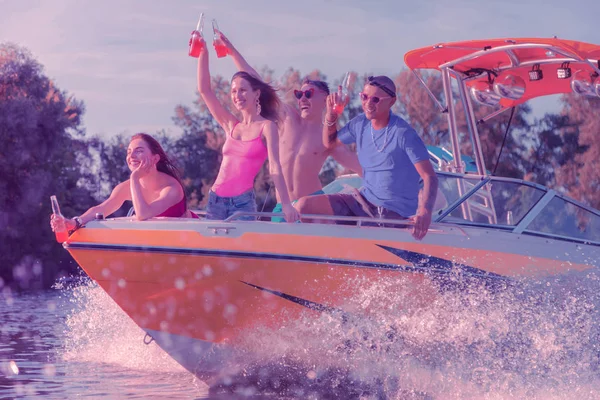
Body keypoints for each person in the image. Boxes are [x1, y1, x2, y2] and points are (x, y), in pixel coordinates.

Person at [215, 32, 362, 222]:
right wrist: (232, 52)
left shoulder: (326, 136)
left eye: (309, 94)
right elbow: (258, 82)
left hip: (312, 209)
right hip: (282, 206)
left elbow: (362, 168)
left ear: (326, 99)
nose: (302, 99)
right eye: (299, 94)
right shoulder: (286, 117)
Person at [294, 76, 439, 240]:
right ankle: (324, 257)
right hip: (362, 203)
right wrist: (332, 115)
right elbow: (330, 143)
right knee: (303, 206)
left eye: (376, 99)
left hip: (392, 214)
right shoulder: (360, 124)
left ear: (392, 101)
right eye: (364, 97)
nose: (368, 103)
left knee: (366, 237)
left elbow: (429, 176)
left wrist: (425, 212)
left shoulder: (403, 134)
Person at [196, 34, 299, 222]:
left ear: (256, 93)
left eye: (243, 90)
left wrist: (286, 203)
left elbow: (275, 166)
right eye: (234, 91)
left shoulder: (267, 127)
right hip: (215, 201)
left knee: (239, 251)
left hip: (242, 204)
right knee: (214, 251)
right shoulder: (231, 125)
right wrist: (203, 52)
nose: (237, 95)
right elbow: (205, 90)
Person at [50, 133, 195, 234]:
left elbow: (143, 215)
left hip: (188, 241)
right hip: (155, 242)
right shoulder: (126, 187)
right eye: (129, 152)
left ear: (155, 158)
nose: (131, 156)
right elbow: (101, 209)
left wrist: (134, 178)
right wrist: (72, 223)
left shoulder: (171, 188)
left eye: (138, 151)